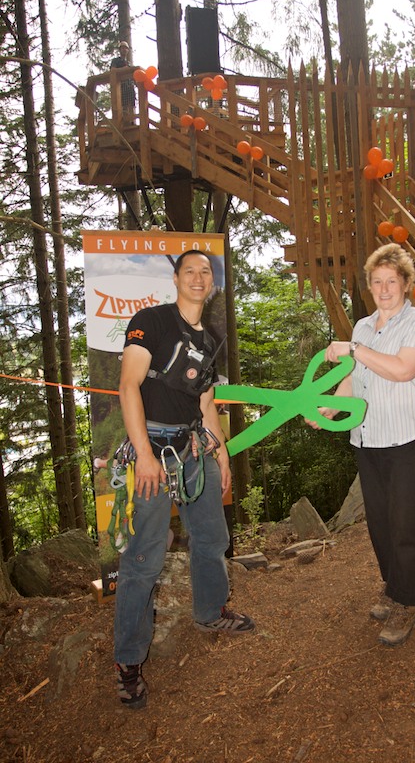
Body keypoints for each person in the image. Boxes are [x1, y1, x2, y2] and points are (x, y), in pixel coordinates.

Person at [114, 250, 255, 709]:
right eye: (190, 271)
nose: (198, 278)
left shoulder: (211, 338)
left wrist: (223, 452)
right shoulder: (149, 321)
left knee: (212, 537)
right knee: (144, 556)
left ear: (212, 284)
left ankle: (210, 613)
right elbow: (129, 386)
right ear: (176, 278)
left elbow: (206, 404)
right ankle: (129, 660)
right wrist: (144, 455)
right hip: (152, 447)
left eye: (205, 273)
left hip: (194, 447)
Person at [308, 242, 415, 647]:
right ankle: (394, 586)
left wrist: (354, 350)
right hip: (368, 439)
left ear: (405, 284)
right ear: (369, 285)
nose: (384, 289)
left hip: (412, 438)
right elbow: (353, 379)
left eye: (392, 281)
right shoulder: (363, 328)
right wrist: (329, 410)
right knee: (382, 525)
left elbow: (401, 370)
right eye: (377, 282)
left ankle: (408, 601)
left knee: (408, 524)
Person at [110, 41, 136, 117]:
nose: (124, 49)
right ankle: (124, 120)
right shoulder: (116, 61)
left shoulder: (129, 63)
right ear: (120, 50)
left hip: (130, 86)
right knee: (122, 105)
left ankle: (132, 120)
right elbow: (113, 70)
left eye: (126, 48)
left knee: (131, 104)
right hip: (121, 86)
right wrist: (124, 69)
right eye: (123, 48)